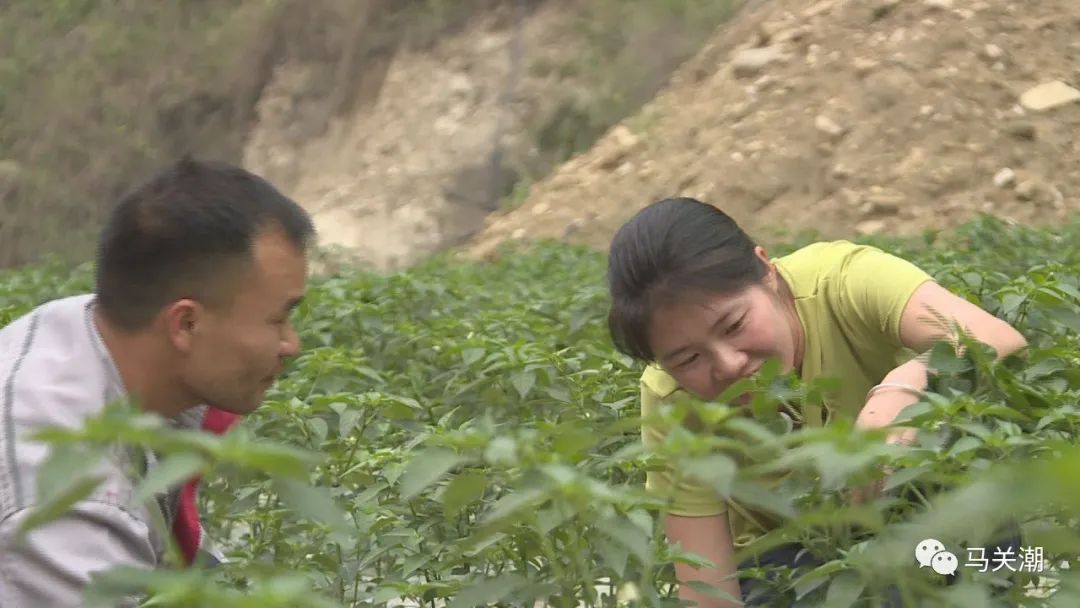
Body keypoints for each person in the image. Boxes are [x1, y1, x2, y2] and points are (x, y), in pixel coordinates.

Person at [605, 197, 1029, 607]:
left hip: (907, 505)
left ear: (766, 270)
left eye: (734, 324)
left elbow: (998, 340)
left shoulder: (843, 281)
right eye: (689, 359)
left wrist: (907, 385)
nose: (729, 364)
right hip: (793, 559)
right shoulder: (669, 397)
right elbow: (706, 589)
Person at [0, 157, 315, 606]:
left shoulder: (89, 331)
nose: (291, 344)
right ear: (185, 324)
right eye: (278, 318)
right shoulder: (66, 503)